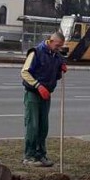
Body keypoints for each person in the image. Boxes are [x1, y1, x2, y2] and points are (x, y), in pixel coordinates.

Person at [20, 31, 67, 167]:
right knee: (33, 125)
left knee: (43, 126)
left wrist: (61, 68)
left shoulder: (56, 56)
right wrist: (38, 86)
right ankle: (29, 156)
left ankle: (41, 154)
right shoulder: (36, 52)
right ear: (51, 41)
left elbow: (56, 73)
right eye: (58, 45)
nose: (59, 49)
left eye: (61, 47)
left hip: (46, 95)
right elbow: (24, 72)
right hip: (33, 94)